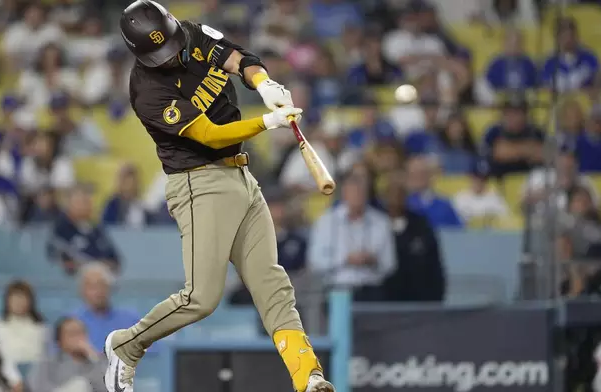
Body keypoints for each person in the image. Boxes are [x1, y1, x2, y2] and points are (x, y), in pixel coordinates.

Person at [108, 2, 334, 391]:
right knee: (201, 297)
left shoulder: (191, 34)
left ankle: (307, 376)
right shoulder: (147, 91)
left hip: (240, 175)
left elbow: (239, 58)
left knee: (272, 283)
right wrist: (268, 121)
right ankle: (126, 346)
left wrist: (263, 83)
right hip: (199, 183)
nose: (172, 55)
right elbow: (209, 134)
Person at [308, 170, 396, 301]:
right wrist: (345, 259)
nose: (357, 196)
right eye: (353, 191)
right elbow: (315, 262)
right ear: (344, 193)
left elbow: (390, 264)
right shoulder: (326, 222)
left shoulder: (381, 222)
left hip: (372, 291)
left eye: (361, 192)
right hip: (337, 289)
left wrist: (373, 260)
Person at [381, 171, 445, 302]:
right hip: (384, 300)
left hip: (418, 300)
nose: (396, 197)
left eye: (400, 192)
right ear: (384, 195)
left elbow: (434, 265)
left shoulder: (420, 225)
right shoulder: (376, 224)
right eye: (392, 192)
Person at [47, 185, 121, 275]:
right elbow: (63, 264)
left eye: (89, 201)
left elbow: (115, 261)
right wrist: (96, 266)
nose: (89, 205)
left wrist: (100, 266)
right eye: (83, 201)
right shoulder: (60, 230)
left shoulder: (96, 230)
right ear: (69, 204)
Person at [28, 317, 107, 392]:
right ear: (60, 341)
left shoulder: (97, 361)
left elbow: (109, 386)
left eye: (81, 332)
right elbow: (37, 388)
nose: (78, 338)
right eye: (72, 334)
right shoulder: (48, 364)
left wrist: (93, 356)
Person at [73, 263, 140, 351]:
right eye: (91, 287)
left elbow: (151, 353)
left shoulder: (130, 319)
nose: (97, 292)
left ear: (110, 288)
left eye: (101, 285)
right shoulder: (72, 322)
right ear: (82, 290)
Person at [481, 97, 544, 176]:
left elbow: (545, 154)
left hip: (530, 179)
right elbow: (499, 153)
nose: (512, 117)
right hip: (500, 179)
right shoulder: (494, 131)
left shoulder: (536, 131)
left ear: (525, 115)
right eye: (509, 113)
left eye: (517, 113)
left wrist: (513, 150)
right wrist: (527, 149)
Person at [476, 28, 538, 105]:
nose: (513, 47)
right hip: (501, 105)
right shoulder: (495, 64)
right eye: (510, 43)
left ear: (522, 45)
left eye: (517, 43)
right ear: (504, 44)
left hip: (523, 105)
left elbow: (534, 89)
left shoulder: (529, 64)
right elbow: (488, 87)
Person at [541, 17, 601, 92]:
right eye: (564, 35)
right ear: (557, 38)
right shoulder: (550, 63)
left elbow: (599, 81)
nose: (568, 39)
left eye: (571, 35)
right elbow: (545, 88)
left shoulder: (589, 58)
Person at [0, 280, 46, 365]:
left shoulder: (41, 328)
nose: (18, 302)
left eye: (22, 297)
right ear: (7, 301)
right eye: (15, 298)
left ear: (30, 301)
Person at [405, 155, 464, 228]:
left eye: (421, 173)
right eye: (413, 174)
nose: (418, 178)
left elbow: (458, 230)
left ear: (430, 175)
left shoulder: (444, 205)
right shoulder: (402, 204)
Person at [575, 104, 601, 172]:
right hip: (585, 181)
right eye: (596, 121)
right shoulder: (579, 143)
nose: (599, 125)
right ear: (588, 122)